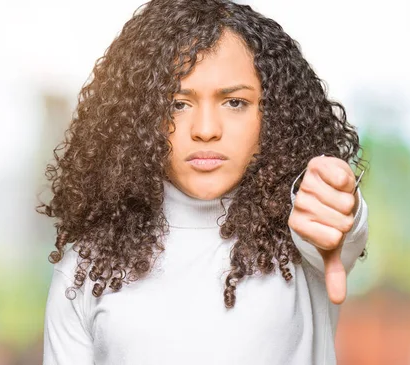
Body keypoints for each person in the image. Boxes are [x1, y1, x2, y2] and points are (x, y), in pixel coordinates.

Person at [39, 0, 369, 364]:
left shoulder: (301, 238)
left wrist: (341, 209)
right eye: (178, 104)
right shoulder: (85, 268)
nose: (206, 130)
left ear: (273, 113)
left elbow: (332, 230)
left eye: (234, 102)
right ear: (139, 116)